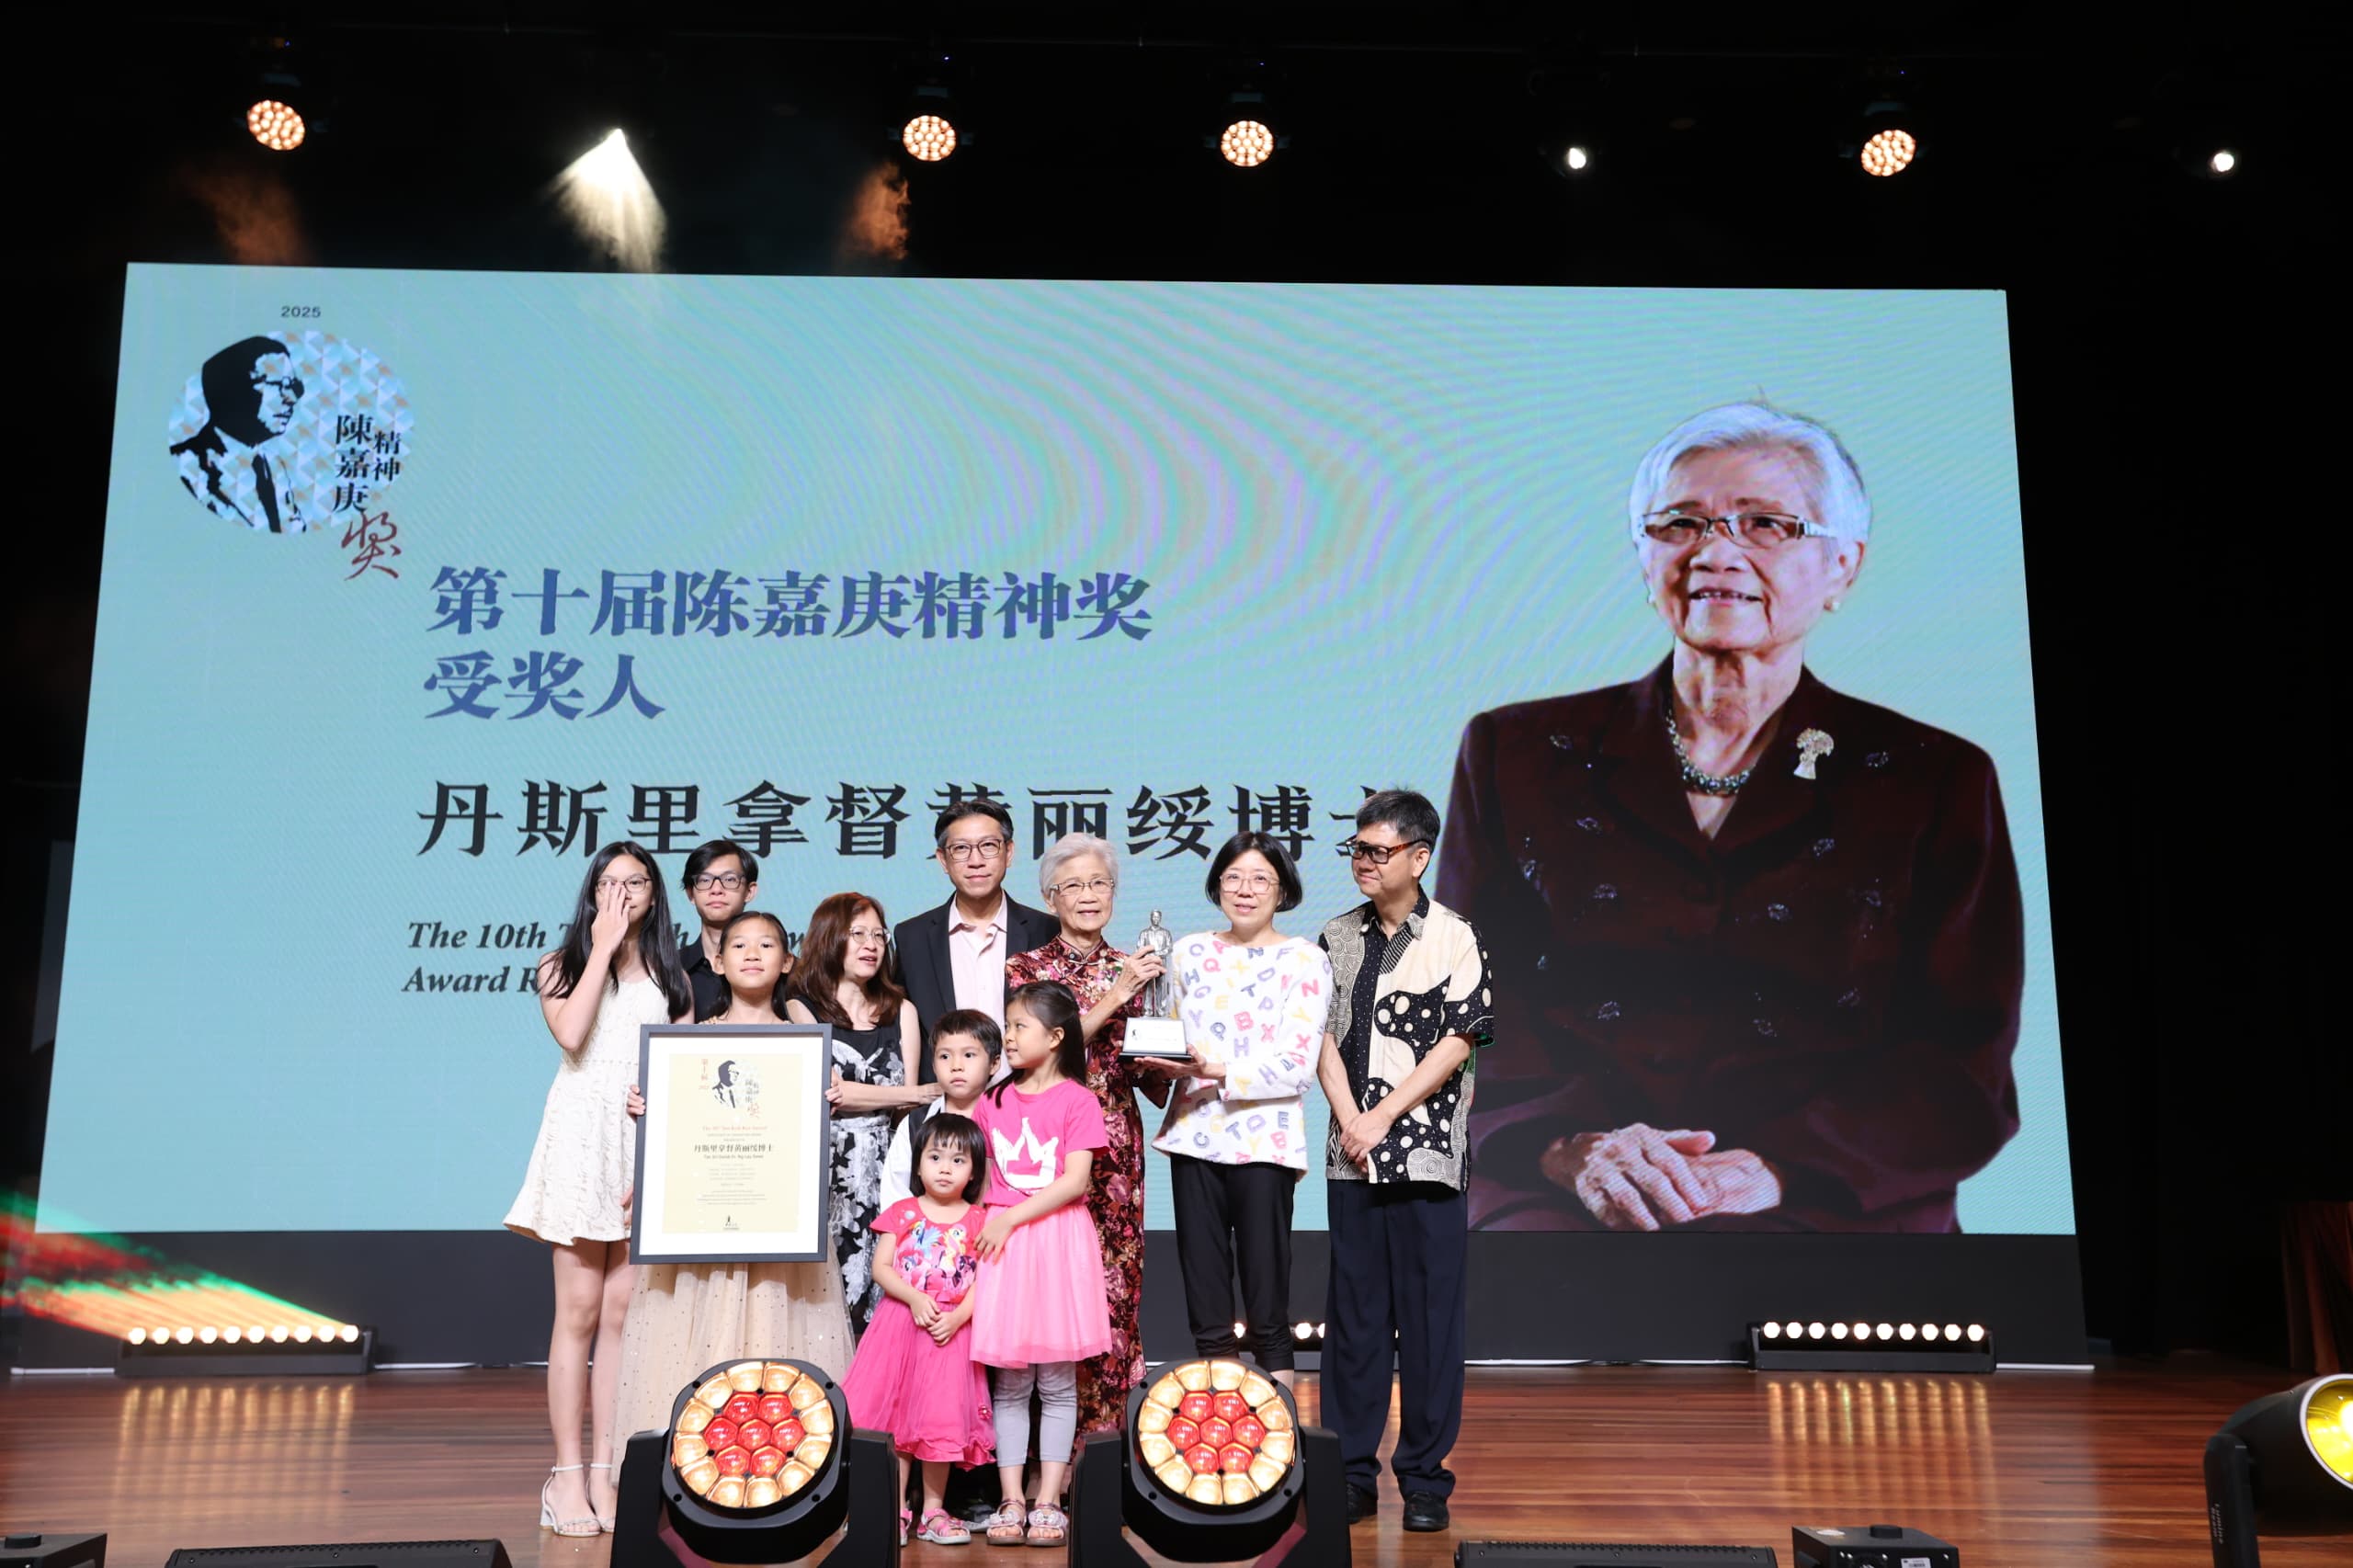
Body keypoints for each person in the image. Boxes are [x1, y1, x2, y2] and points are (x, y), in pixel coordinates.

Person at [1438, 401, 2026, 1234]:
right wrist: (1577, 1148)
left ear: (1843, 568)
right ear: (1645, 558)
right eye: (1680, 524)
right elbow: (1467, 1003)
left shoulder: (1934, 777)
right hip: (1562, 1185)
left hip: (1832, 1194)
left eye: (1768, 525)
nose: (1717, 552)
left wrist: (1770, 1168)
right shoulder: (1517, 749)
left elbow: (1962, 1057)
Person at [610, 910, 854, 1517]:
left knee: (777, 1333)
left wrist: (825, 1098)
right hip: (702, 1228)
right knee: (688, 1338)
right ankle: (686, 1482)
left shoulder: (808, 1051)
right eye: (737, 944)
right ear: (715, 960)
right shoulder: (685, 1047)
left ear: (788, 961)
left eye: (767, 944)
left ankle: (781, 1483)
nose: (751, 954)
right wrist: (652, 1111)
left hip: (779, 1228)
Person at [1315, 790, 1494, 1534]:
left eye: (1377, 851)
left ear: (1419, 857)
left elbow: (1461, 1037)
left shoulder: (1454, 934)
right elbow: (1318, 1037)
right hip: (1350, 1159)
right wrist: (1352, 1117)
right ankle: (1350, 1474)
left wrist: (1383, 1114)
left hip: (1426, 1160)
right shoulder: (1334, 936)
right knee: (1353, 1324)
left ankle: (1424, 1479)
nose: (1362, 861)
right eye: (1355, 849)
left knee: (1429, 1326)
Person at [505, 841, 693, 1537]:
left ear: (654, 893)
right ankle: (566, 1477)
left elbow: (675, 1085)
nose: (622, 892)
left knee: (622, 1321)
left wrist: (655, 1169)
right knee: (577, 1316)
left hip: (639, 1153)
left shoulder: (675, 982)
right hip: (583, 1147)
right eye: (609, 883)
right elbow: (575, 1034)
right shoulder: (558, 967)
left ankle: (612, 1475)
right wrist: (603, 946)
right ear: (591, 893)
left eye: (635, 883)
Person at [1004, 833, 1178, 1438]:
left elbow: (1143, 1070)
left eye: (1098, 884)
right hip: (1042, 1153)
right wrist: (1118, 995)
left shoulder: (1135, 964)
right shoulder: (1026, 971)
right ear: (1050, 897)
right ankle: (1037, 1458)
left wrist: (1177, 1057)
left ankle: (1103, 1451)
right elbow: (1041, 1047)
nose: (1087, 896)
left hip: (1114, 1152)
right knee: (1042, 1297)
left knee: (1113, 1295)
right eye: (1072, 885)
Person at [1154, 833, 1332, 1390]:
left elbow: (1298, 1065)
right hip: (1193, 1137)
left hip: (1266, 1144)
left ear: (1282, 890)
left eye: (1260, 879)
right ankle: (1218, 1424)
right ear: (1216, 887)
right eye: (1233, 877)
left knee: (1266, 1297)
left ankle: (1280, 1442)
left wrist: (1216, 1070)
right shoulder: (1187, 951)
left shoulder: (1305, 959)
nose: (1245, 890)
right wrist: (1162, 1064)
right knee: (1206, 1298)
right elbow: (1170, 1036)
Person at [968, 982, 1113, 1548]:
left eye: (1020, 1027)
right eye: (1008, 1026)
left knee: (1055, 1382)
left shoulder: (1079, 1101)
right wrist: (990, 1223)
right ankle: (1011, 1498)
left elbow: (1075, 1181)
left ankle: (1049, 1500)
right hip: (1002, 1248)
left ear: (1055, 1038)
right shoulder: (993, 1100)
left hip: (1053, 1243)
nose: (1009, 1037)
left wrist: (1010, 1218)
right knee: (1008, 1386)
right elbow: (982, 1183)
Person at [841, 1113, 997, 1547]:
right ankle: (893, 1509)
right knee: (895, 1419)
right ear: (918, 1164)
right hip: (900, 1328)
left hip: (950, 1333)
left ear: (973, 1171)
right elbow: (880, 1268)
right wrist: (913, 1298)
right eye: (935, 1157)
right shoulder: (902, 1212)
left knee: (939, 1421)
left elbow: (987, 1280)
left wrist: (960, 1316)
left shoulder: (980, 1220)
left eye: (958, 1160)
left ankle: (933, 1511)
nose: (945, 1167)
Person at [788, 892, 940, 1335]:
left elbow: (908, 1101)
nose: (871, 944)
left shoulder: (902, 1011)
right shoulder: (801, 1008)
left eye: (878, 934)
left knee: (881, 1290)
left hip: (886, 1168)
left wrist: (895, 1093)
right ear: (830, 939)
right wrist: (912, 1091)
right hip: (826, 1167)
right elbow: (830, 1096)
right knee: (827, 1294)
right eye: (858, 934)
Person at [892, 800, 1058, 1073]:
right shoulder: (913, 937)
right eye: (961, 849)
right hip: (943, 1106)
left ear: (1009, 852)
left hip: (1029, 1104)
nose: (976, 861)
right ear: (943, 860)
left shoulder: (1046, 931)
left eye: (989, 846)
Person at [171, 335, 310, 531]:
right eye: (276, 384)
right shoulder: (182, 464)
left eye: (293, 386)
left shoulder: (273, 466)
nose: (291, 398)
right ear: (231, 389)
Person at [881, 1011, 1001, 1209]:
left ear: (994, 1063)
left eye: (969, 1055)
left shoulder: (1007, 1121)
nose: (956, 1066)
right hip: (925, 1235)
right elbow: (895, 1192)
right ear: (934, 1066)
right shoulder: (915, 1124)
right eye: (945, 1056)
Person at [678, 839, 772, 1020]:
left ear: (749, 891)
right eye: (704, 880)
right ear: (691, 893)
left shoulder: (775, 968)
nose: (716, 889)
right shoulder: (672, 968)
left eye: (729, 880)